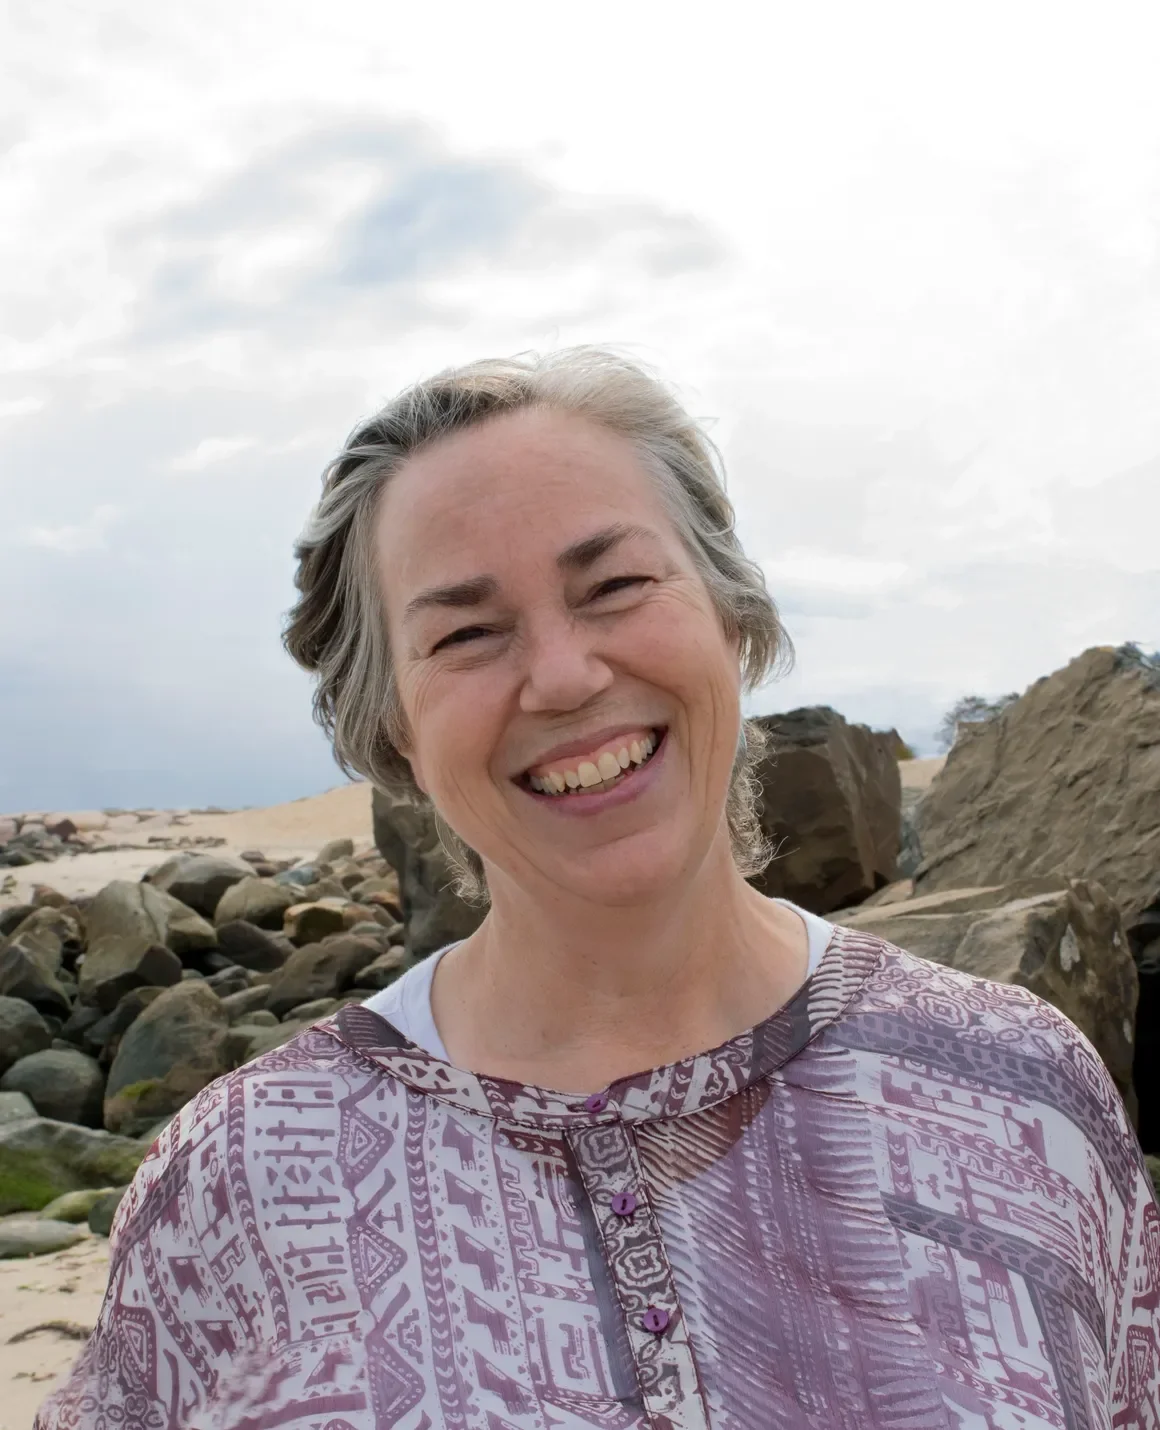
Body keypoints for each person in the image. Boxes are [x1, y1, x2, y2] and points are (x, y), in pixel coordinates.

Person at [38, 349, 1159, 1430]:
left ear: (730, 615)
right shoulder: (238, 1181)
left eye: (615, 585)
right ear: (391, 725)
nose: (565, 674)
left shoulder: (1023, 1092)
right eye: (467, 633)